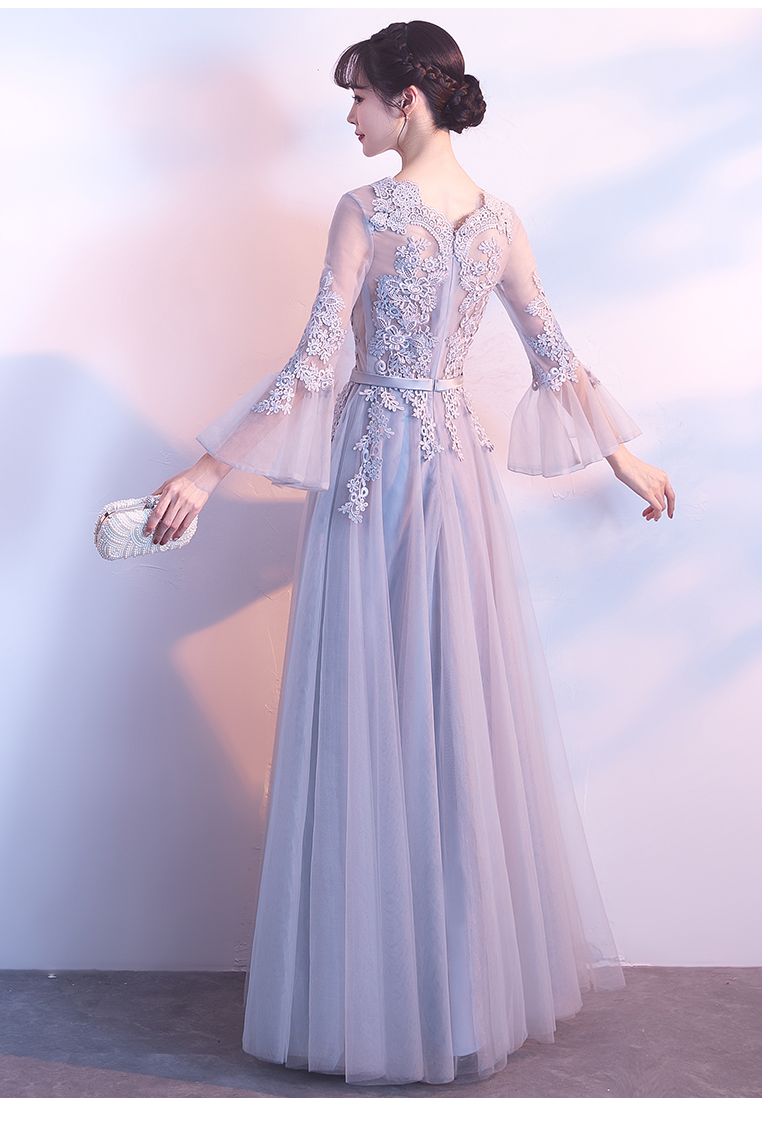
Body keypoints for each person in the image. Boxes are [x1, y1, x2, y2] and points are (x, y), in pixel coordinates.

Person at [145, 21, 674, 1086]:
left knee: (379, 712)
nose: (349, 117)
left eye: (358, 97)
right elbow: (552, 349)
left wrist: (206, 468)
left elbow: (316, 361)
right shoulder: (499, 222)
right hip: (452, 479)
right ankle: (450, 996)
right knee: (446, 712)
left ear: (409, 100)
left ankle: (380, 999)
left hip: (377, 470)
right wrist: (622, 456)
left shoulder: (367, 211)